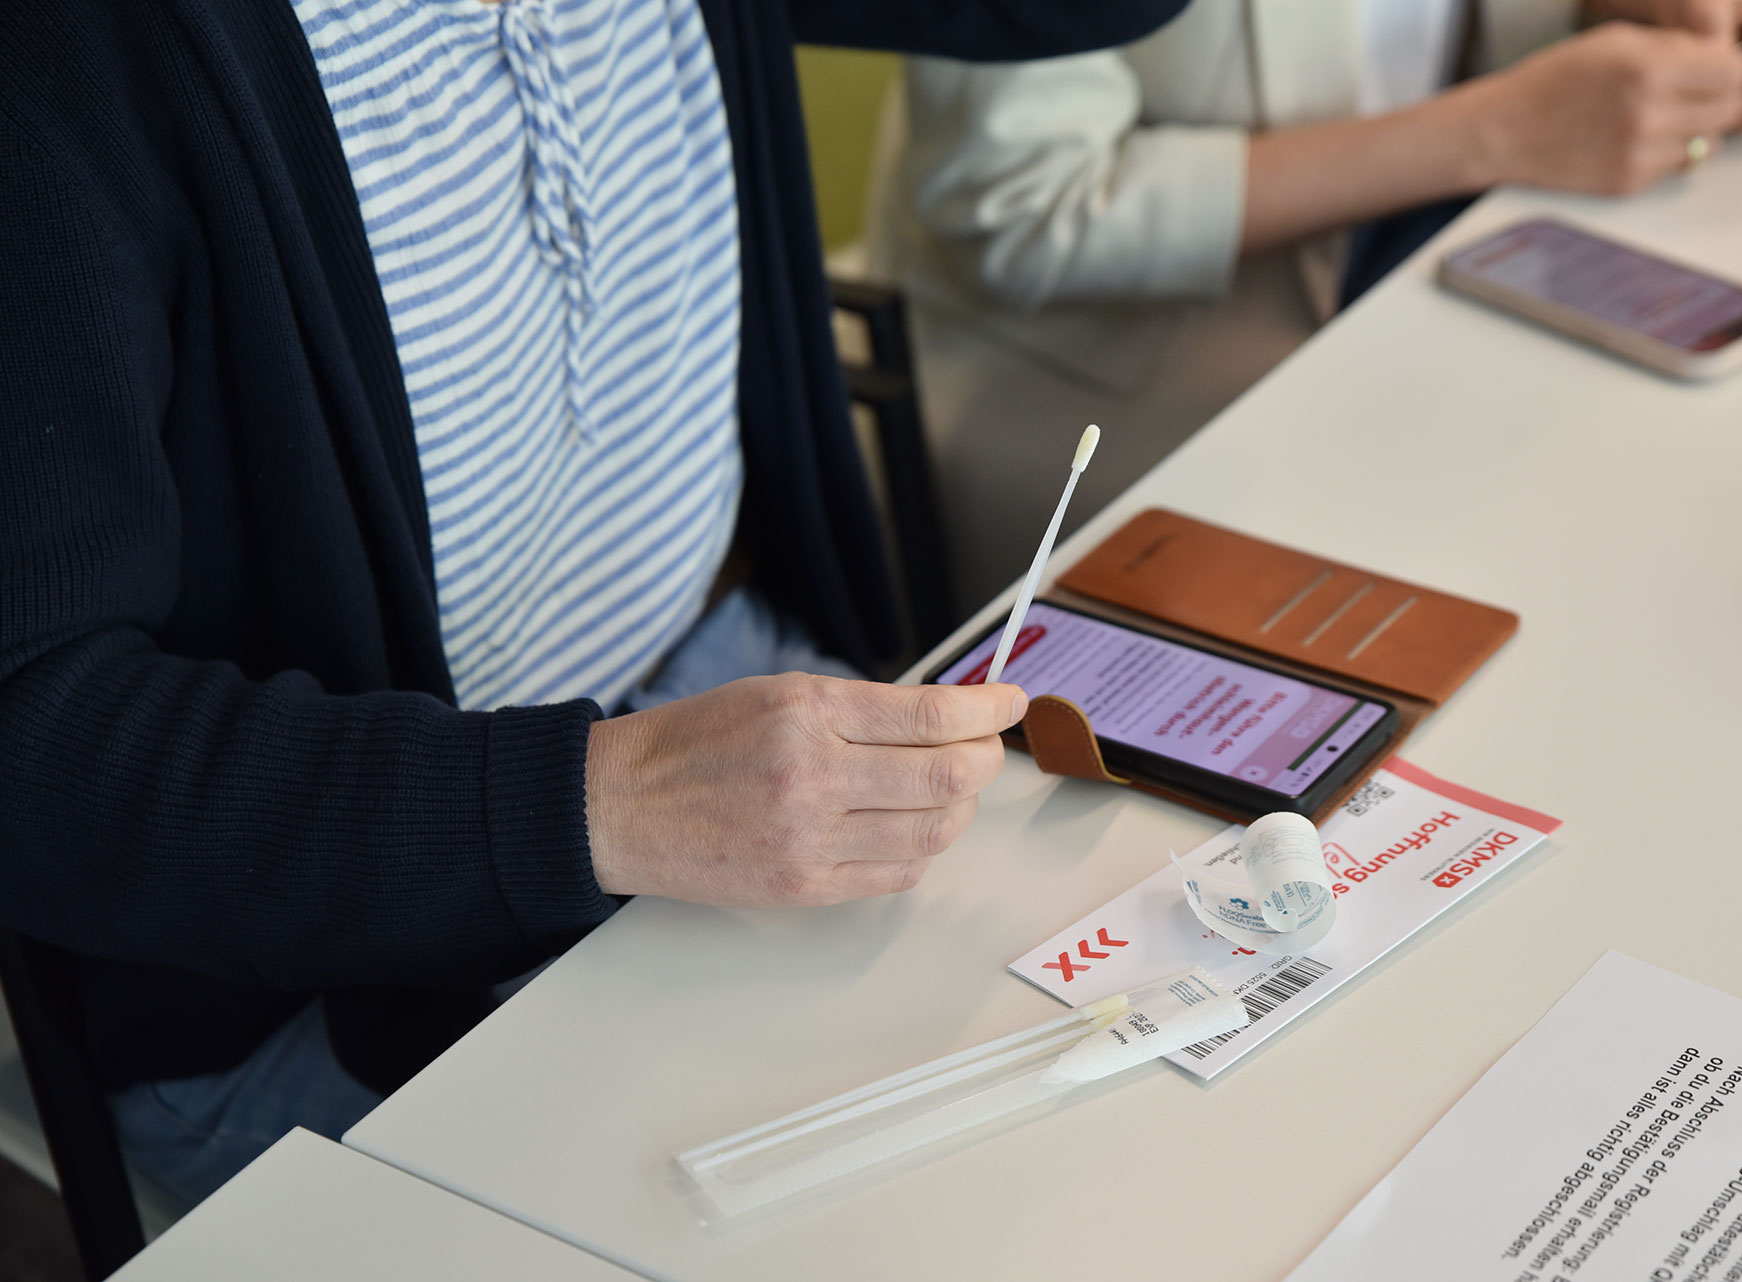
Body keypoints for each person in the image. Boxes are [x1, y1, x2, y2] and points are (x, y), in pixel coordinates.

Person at [0, 0, 1187, 1207]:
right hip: (326, 969)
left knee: (1143, 1104)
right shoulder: (71, 58)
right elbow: (29, 741)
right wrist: (599, 800)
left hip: (720, 689)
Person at [866, 0, 1742, 610]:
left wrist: (1623, 20)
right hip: (1114, 383)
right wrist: (1498, 130)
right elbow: (1020, 213)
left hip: (1440, 297)